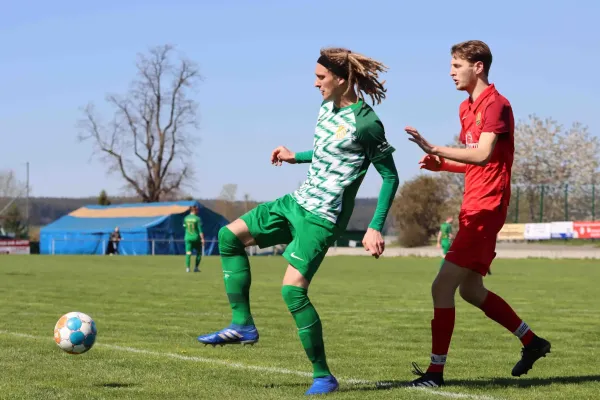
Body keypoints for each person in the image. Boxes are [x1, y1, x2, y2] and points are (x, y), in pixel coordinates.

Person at [196, 47, 399, 396]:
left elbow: (390, 177)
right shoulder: (326, 108)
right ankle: (242, 325)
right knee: (228, 236)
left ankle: (323, 376)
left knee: (292, 291)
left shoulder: (366, 123)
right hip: (296, 201)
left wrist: (375, 225)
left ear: (341, 79)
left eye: (321, 77)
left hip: (322, 217)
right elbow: (327, 153)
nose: (315, 83)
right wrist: (295, 157)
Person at [403, 40, 550, 387]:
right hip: (473, 207)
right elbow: (473, 161)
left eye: (457, 65)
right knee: (471, 291)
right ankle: (532, 342)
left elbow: (484, 154)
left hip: (486, 208)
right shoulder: (465, 108)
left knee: (441, 287)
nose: (451, 72)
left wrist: (435, 147)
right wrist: (442, 165)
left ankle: (435, 373)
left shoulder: (496, 105)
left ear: (478, 66)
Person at [183, 206, 204, 273]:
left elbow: (184, 227)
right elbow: (200, 230)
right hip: (196, 238)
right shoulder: (197, 219)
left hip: (188, 238)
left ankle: (188, 268)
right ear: (194, 211)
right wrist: (202, 239)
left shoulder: (186, 218)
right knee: (199, 253)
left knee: (188, 253)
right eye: (197, 210)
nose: (198, 211)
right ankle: (196, 268)